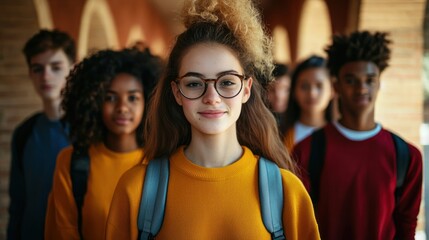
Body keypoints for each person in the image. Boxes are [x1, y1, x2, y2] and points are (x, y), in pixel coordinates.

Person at [105, 0, 320, 239]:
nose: (211, 97)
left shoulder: (286, 192)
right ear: (177, 92)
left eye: (227, 82)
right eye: (194, 83)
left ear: (246, 89)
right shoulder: (136, 189)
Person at [292, 31, 423, 240]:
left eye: (370, 80)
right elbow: (299, 222)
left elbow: (406, 226)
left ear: (379, 84)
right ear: (336, 87)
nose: (362, 88)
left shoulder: (407, 156)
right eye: (351, 80)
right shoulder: (307, 150)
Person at [44, 47, 163, 240]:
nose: (122, 108)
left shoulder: (162, 162)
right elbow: (63, 231)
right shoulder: (71, 161)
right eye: (110, 98)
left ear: (149, 101)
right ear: (93, 101)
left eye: (133, 98)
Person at [7, 29, 76, 240]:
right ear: (30, 73)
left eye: (56, 67)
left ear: (73, 68)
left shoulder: (89, 129)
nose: (45, 76)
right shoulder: (24, 133)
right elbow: (18, 202)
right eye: (37, 69)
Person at [282, 55, 333, 151]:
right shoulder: (278, 135)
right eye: (304, 86)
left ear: (333, 90)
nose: (312, 93)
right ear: (293, 91)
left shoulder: (341, 136)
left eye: (319, 86)